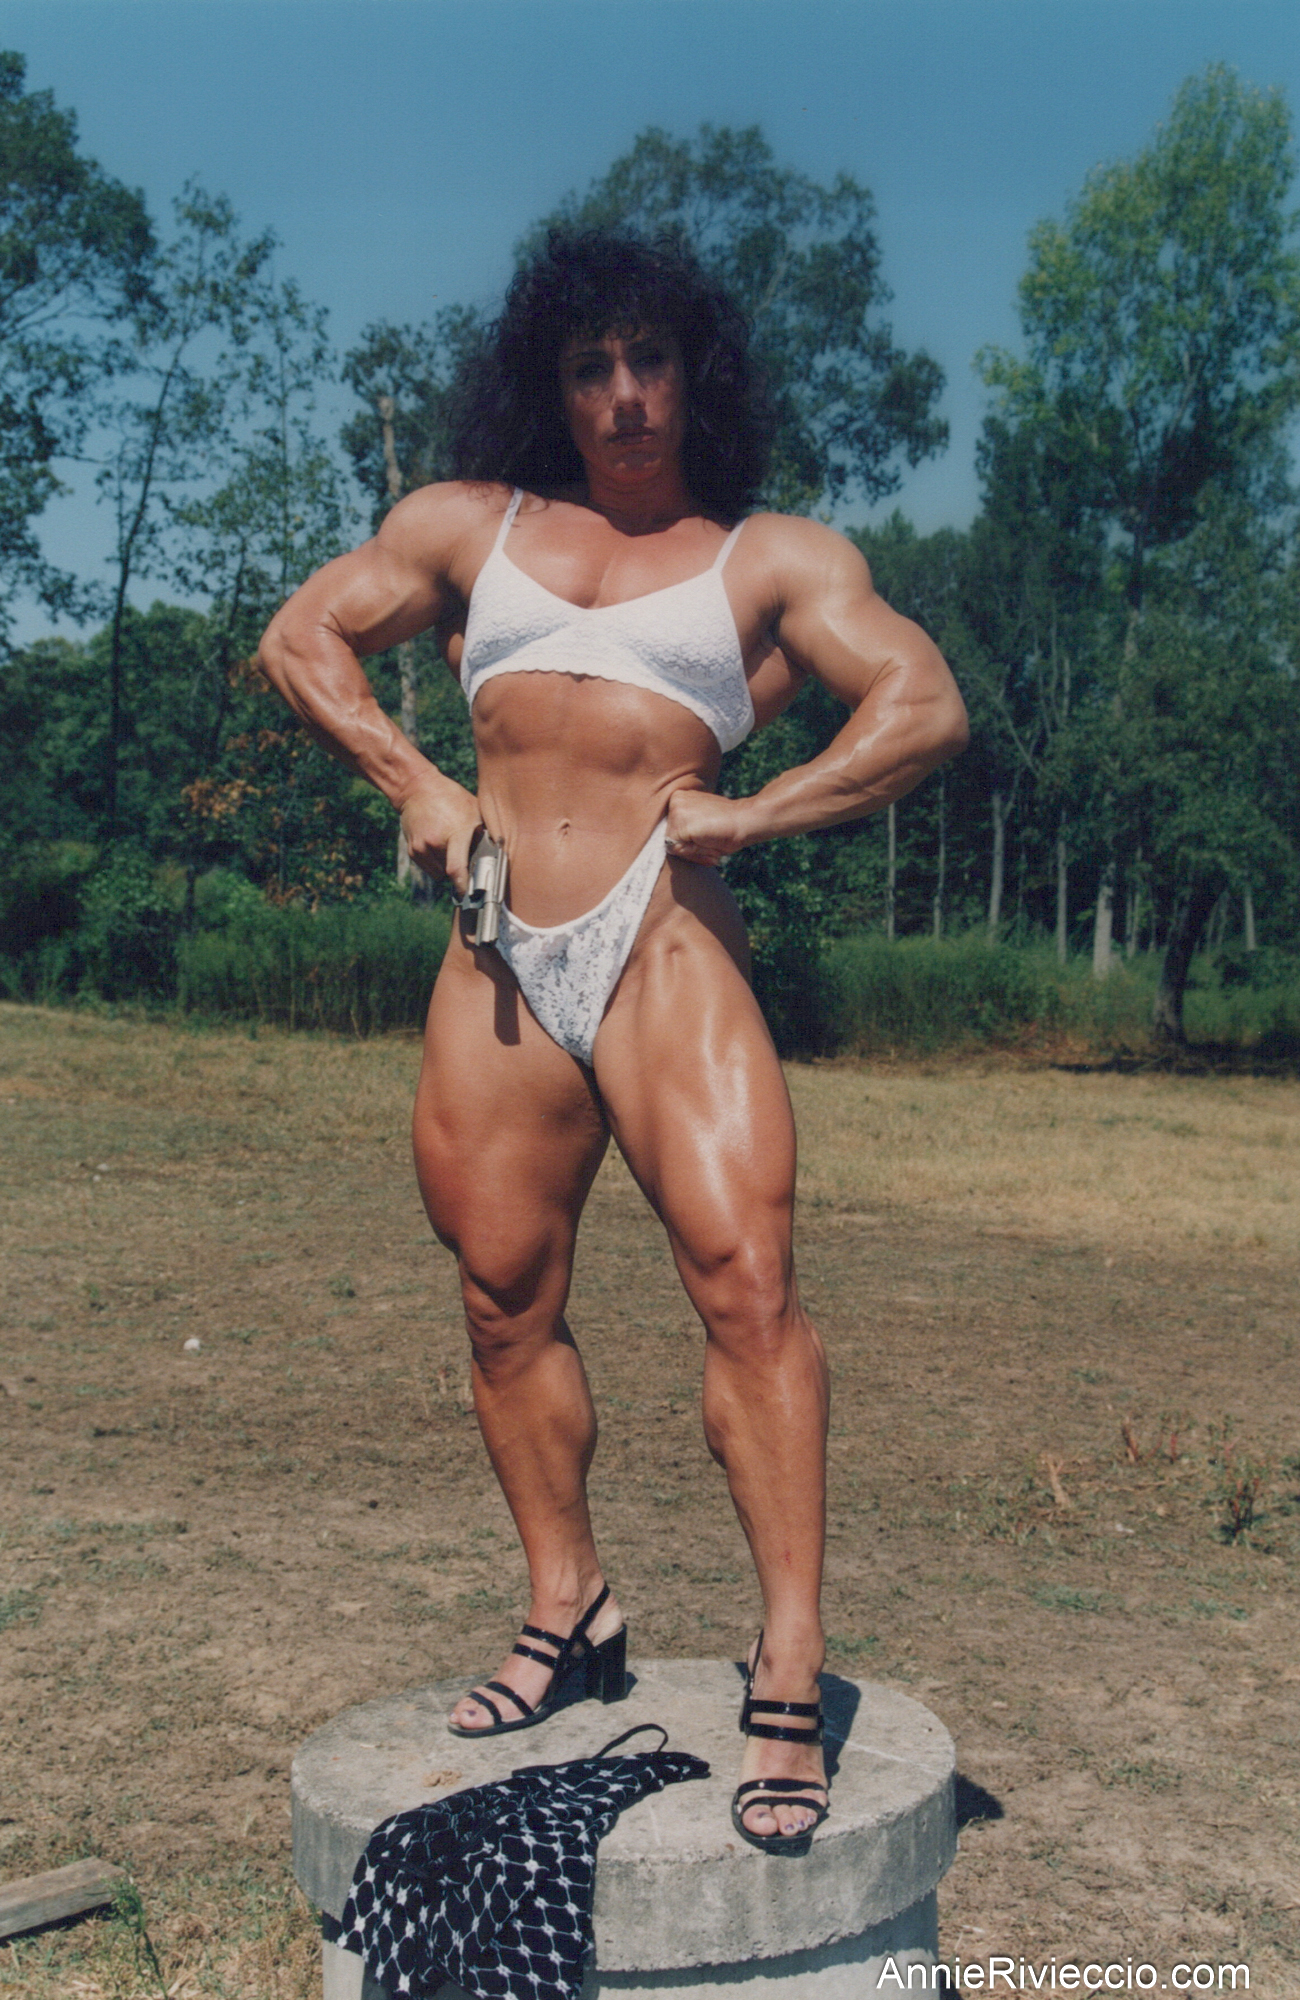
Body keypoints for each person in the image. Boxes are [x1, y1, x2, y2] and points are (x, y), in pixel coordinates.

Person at [258, 231, 967, 1854]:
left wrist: (760, 813)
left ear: (696, 376)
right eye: (592, 366)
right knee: (500, 1294)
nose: (627, 394)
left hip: (663, 944)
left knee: (748, 1287)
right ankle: (567, 1603)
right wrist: (417, 783)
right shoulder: (470, 527)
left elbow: (923, 706)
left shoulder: (767, 559)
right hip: (497, 946)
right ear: (553, 386)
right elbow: (302, 639)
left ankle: (787, 1659)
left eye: (652, 361)